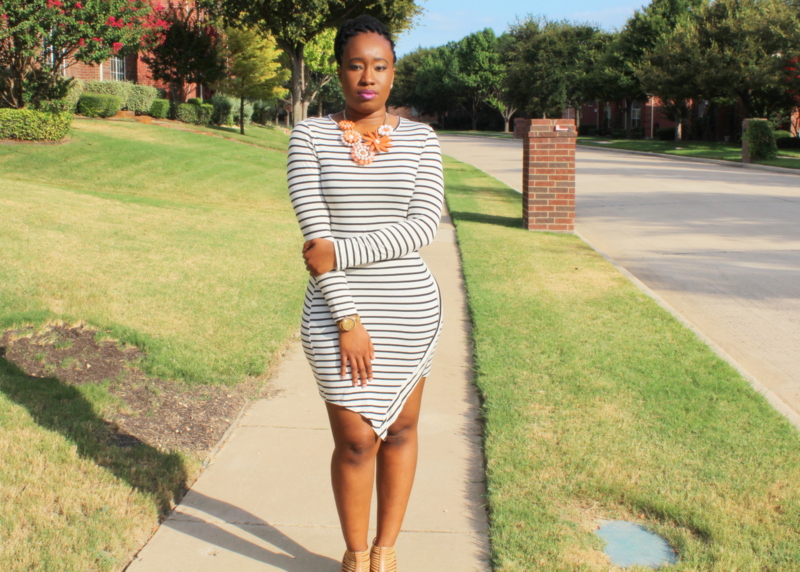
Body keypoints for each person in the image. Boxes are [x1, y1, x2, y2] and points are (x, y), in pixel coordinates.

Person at [286, 14, 444, 572]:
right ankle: (355, 556)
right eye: (356, 65)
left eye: (379, 66)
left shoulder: (422, 140)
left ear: (394, 73)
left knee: (400, 430)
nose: (368, 77)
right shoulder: (309, 136)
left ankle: (386, 552)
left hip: (410, 309)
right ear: (339, 71)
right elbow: (316, 237)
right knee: (356, 441)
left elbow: (423, 227)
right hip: (337, 311)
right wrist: (348, 321)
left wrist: (341, 252)